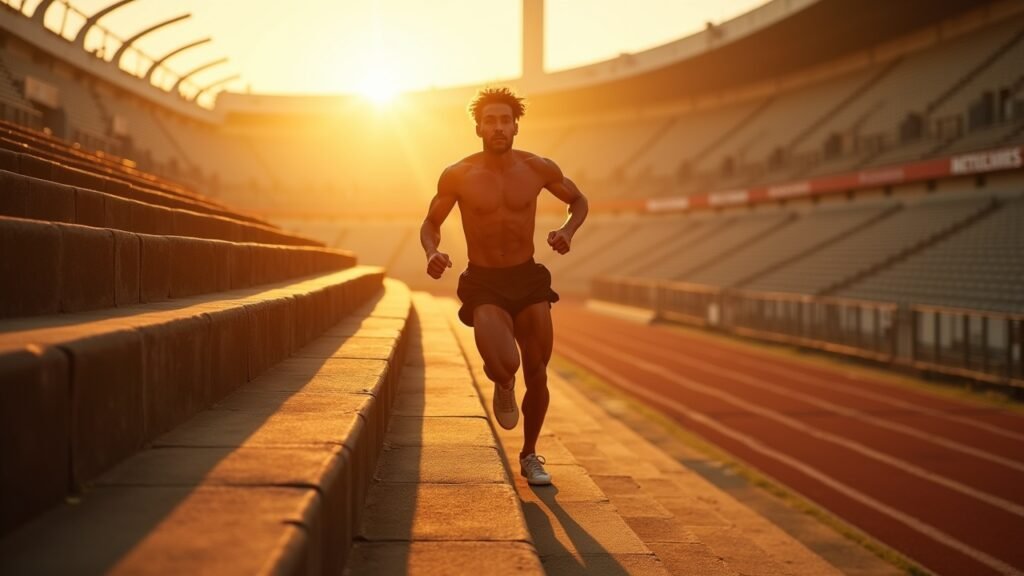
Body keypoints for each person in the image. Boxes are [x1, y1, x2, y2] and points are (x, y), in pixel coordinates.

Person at [420, 87, 588, 486]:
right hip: (485, 282)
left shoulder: (538, 167)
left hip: (527, 277)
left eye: (505, 120)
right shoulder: (458, 174)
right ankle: (503, 383)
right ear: (478, 127)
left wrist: (568, 230)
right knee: (505, 364)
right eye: (490, 121)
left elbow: (578, 201)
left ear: (516, 125)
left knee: (539, 371)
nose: (498, 127)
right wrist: (431, 252)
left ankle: (530, 455)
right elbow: (431, 223)